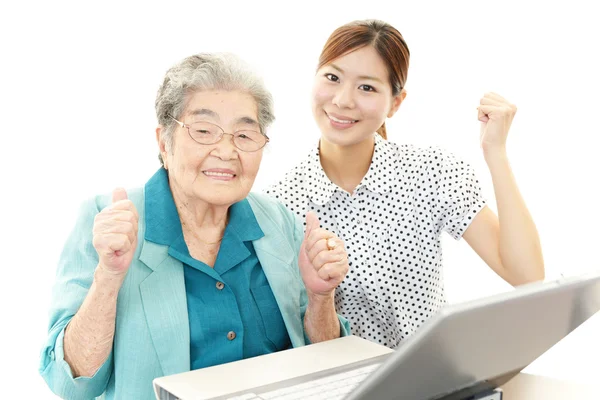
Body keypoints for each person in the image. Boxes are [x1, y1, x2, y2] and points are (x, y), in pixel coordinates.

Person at [39, 52, 350, 400]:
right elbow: (71, 384)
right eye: (204, 131)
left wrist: (321, 298)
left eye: (245, 135)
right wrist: (109, 277)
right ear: (164, 142)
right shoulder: (107, 219)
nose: (227, 151)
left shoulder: (280, 222)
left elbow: (327, 368)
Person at [265, 19, 544, 349]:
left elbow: (527, 275)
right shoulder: (280, 207)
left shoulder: (431, 172)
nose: (342, 100)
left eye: (366, 87)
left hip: (434, 381)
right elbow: (294, 340)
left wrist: (495, 152)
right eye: (333, 77)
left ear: (396, 103)